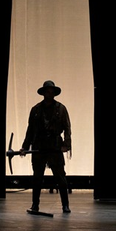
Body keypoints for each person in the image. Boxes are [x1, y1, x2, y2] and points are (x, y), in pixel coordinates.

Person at [20, 80, 72, 213]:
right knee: (37, 177)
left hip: (54, 145)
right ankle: (35, 204)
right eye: (47, 91)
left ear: (54, 93)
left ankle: (65, 205)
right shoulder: (36, 109)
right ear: (43, 93)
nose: (50, 93)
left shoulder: (61, 108)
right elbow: (30, 130)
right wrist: (25, 147)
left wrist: (66, 144)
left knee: (60, 177)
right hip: (39, 145)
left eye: (51, 91)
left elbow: (67, 128)